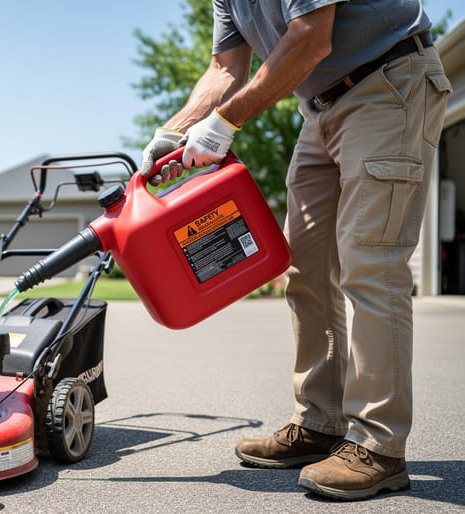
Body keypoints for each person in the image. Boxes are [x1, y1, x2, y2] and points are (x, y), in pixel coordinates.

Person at [139, 0, 452, 501]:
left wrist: (222, 125)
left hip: (388, 83)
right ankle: (321, 423)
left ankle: (379, 445)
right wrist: (175, 130)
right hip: (320, 108)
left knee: (371, 264)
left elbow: (311, 36)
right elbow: (225, 68)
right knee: (304, 268)